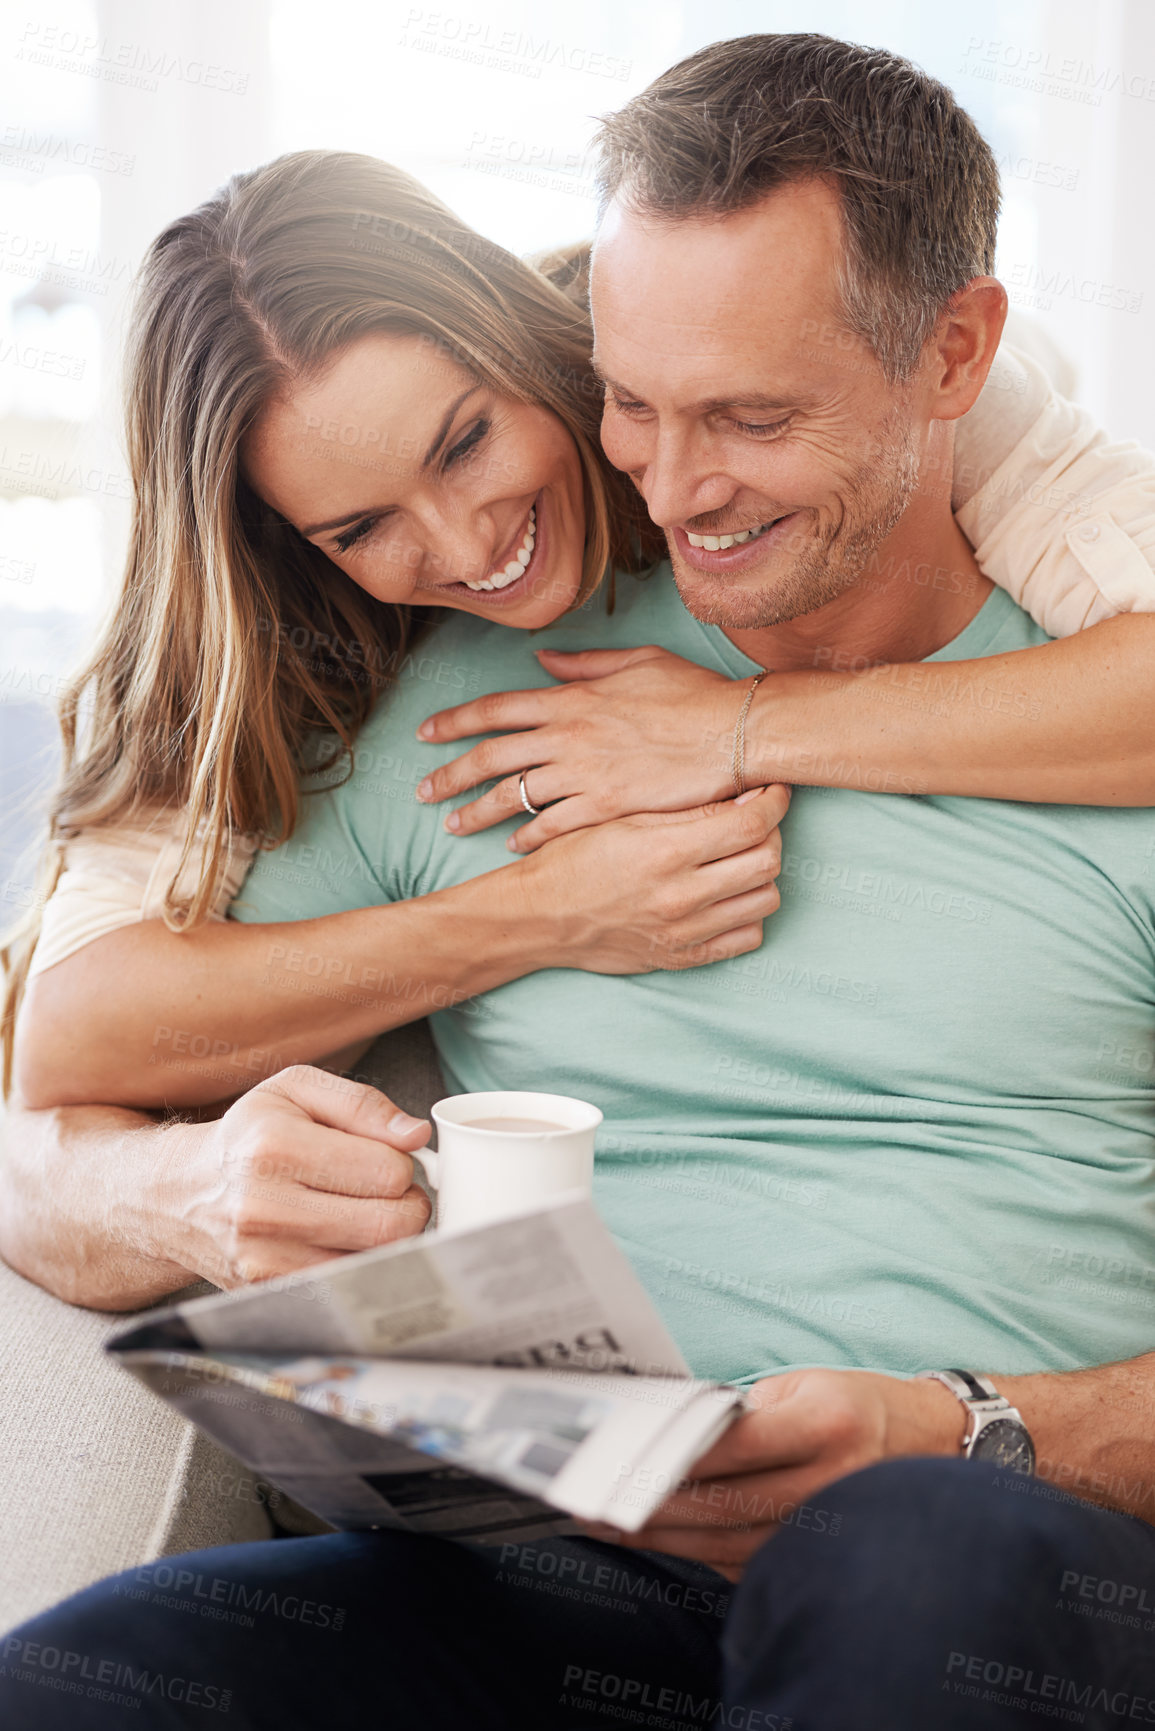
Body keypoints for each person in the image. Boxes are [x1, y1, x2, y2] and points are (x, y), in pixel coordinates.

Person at [4, 32, 1155, 1731]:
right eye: (634, 404)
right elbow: (78, 1047)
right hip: (548, 1567)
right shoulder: (442, 705)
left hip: (989, 1537)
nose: (673, 490)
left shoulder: (1089, 707)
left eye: (751, 418)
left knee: (914, 1564)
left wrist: (974, 1426)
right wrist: (531, 918)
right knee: (93, 1682)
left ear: (953, 356)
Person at [5, 147, 1155, 1304]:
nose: (463, 550)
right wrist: (544, 912)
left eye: (464, 444)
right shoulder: (282, 659)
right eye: (360, 528)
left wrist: (737, 727)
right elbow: (69, 1042)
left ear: (529, 349)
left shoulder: (875, 391)